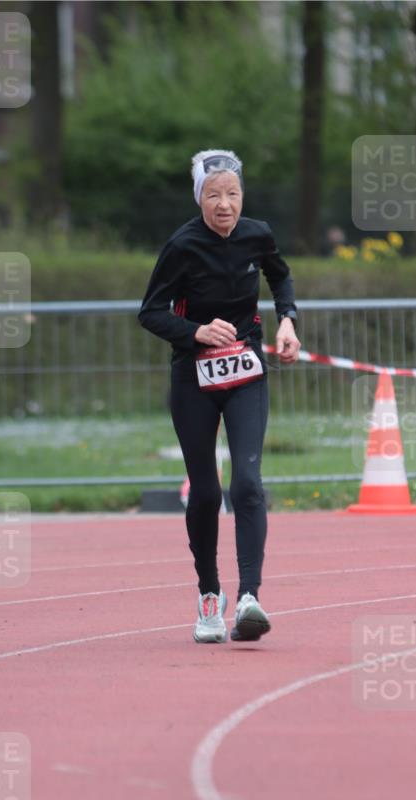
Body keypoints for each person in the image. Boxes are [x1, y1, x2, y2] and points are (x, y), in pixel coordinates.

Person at [138, 149, 300, 643]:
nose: (224, 204)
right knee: (206, 492)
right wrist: (196, 332)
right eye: (213, 195)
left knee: (247, 483)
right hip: (195, 379)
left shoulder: (258, 234)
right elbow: (150, 312)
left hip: (246, 372)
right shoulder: (182, 245)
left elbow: (280, 273)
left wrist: (288, 319)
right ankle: (210, 594)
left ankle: (250, 596)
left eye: (232, 193)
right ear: (200, 199)